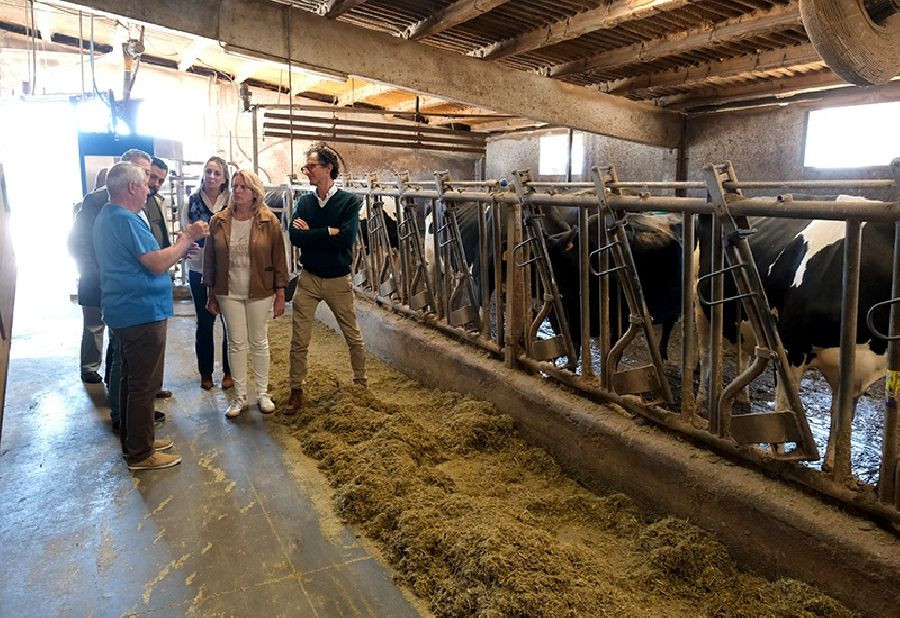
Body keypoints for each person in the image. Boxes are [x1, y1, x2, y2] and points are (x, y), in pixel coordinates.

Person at [93, 162, 208, 470]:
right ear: (132, 187)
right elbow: (156, 263)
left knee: (132, 382)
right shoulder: (126, 219)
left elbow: (147, 259)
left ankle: (134, 440)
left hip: (126, 309)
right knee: (142, 386)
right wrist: (186, 237)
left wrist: (179, 250)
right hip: (140, 311)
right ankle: (141, 454)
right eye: (145, 184)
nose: (149, 189)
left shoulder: (108, 215)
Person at [287, 144, 367, 414]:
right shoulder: (304, 202)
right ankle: (296, 389)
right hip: (308, 277)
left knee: (352, 334)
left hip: (337, 279)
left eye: (311, 166)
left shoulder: (349, 201)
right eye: (306, 167)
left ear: (328, 167)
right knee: (299, 337)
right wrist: (326, 232)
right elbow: (295, 236)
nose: (307, 171)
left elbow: (346, 239)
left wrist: (312, 233)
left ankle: (361, 384)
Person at [203, 170, 288, 418]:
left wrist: (280, 294)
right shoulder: (218, 221)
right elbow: (210, 260)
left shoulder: (269, 221)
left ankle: (262, 393)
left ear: (254, 192)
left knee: (259, 341)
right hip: (228, 290)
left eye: (244, 187)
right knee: (236, 342)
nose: (238, 191)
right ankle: (240, 396)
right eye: (235, 186)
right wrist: (211, 293)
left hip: (260, 289)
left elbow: (279, 259)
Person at [70, 152, 147, 384]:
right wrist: (91, 271)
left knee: (119, 336)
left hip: (124, 281)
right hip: (97, 275)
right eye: (142, 171)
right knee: (94, 325)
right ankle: (90, 368)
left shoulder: (143, 200)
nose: (145, 178)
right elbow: (81, 240)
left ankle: (114, 382)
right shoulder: (95, 201)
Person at [180, 156, 233, 391]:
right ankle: (205, 372)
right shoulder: (191, 201)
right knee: (204, 321)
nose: (211, 176)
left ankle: (229, 371)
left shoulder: (231, 201)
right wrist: (187, 244)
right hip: (199, 267)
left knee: (230, 320)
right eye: (208, 171)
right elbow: (186, 232)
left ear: (224, 179)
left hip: (228, 268)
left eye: (217, 173)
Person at [146, 157, 174, 399]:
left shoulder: (157, 202)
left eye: (161, 180)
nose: (155, 183)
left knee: (157, 338)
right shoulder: (127, 209)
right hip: (141, 279)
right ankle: (124, 404)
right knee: (134, 346)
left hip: (159, 278)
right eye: (152, 176)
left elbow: (163, 238)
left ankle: (154, 387)